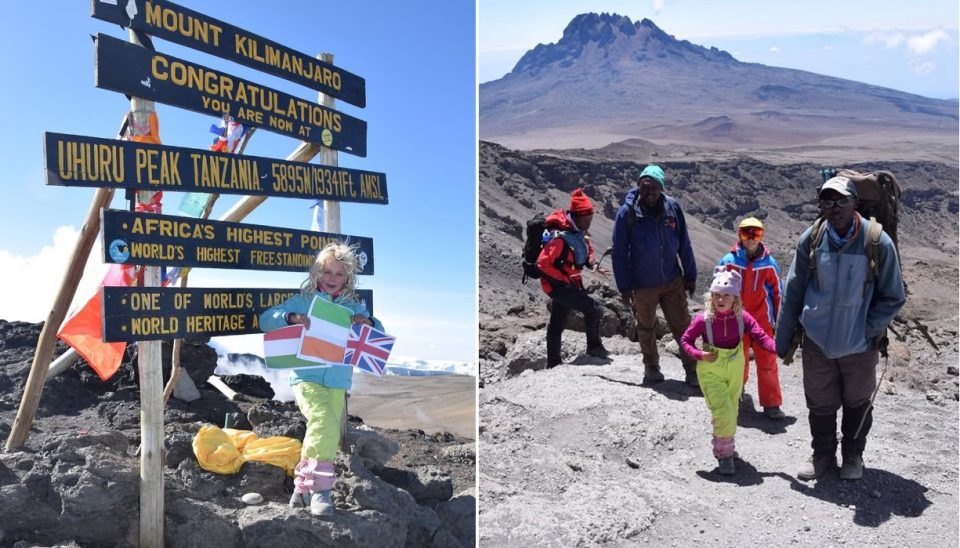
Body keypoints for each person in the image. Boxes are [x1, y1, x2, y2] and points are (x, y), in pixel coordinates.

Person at [776, 176, 905, 481]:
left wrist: (866, 328)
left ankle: (852, 456)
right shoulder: (812, 238)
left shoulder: (877, 242)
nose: (833, 208)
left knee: (858, 402)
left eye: (841, 201)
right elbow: (793, 290)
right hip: (818, 341)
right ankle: (822, 456)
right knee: (820, 402)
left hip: (859, 345)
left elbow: (893, 296)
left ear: (854, 203)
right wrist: (782, 340)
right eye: (826, 201)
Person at [260, 242, 383, 516]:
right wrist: (290, 317)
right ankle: (321, 491)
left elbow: (379, 331)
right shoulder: (303, 300)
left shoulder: (353, 307)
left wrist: (369, 324)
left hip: (338, 379)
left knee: (320, 427)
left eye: (339, 274)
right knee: (325, 421)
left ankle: (301, 489)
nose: (332, 279)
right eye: (328, 272)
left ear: (348, 278)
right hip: (306, 376)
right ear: (318, 272)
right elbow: (267, 320)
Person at [680, 268, 778, 475]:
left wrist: (777, 347)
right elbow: (685, 340)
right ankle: (724, 455)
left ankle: (724, 444)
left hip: (735, 367)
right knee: (723, 410)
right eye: (717, 295)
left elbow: (760, 336)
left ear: (735, 298)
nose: (721, 299)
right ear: (711, 297)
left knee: (732, 409)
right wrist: (698, 354)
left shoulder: (743, 318)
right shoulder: (703, 320)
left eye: (726, 295)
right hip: (711, 369)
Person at [611, 165, 699, 386]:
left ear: (662, 188)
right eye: (644, 187)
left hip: (672, 280)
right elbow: (619, 252)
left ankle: (693, 369)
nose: (648, 192)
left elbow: (684, 243)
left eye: (653, 188)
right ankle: (651, 367)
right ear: (639, 186)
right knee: (646, 327)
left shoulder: (672, 208)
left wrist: (691, 274)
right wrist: (624, 287)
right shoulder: (628, 213)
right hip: (643, 284)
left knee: (682, 325)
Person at [717, 217, 785, 420]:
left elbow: (777, 293)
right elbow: (718, 290)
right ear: (740, 235)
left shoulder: (769, 264)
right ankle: (736, 396)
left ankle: (772, 404)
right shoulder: (728, 262)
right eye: (747, 233)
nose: (752, 238)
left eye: (756, 233)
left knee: (767, 361)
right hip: (736, 319)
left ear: (762, 235)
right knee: (738, 361)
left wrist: (779, 321)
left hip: (762, 321)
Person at [537, 188, 610, 368]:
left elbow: (586, 250)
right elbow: (542, 264)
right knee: (594, 309)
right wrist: (563, 278)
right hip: (559, 286)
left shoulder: (577, 231)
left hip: (568, 284)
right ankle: (594, 347)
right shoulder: (560, 238)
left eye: (591, 219)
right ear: (577, 215)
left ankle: (553, 363)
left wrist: (593, 264)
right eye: (587, 219)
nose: (589, 222)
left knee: (557, 323)